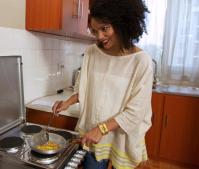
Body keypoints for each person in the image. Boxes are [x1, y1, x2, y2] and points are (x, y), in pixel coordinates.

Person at [52, 0, 153, 168]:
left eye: (104, 28)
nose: (99, 36)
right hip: (93, 135)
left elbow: (135, 112)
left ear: (122, 24)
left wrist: (102, 129)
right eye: (94, 30)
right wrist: (66, 103)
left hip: (120, 137)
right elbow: (83, 88)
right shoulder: (92, 52)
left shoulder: (141, 61)